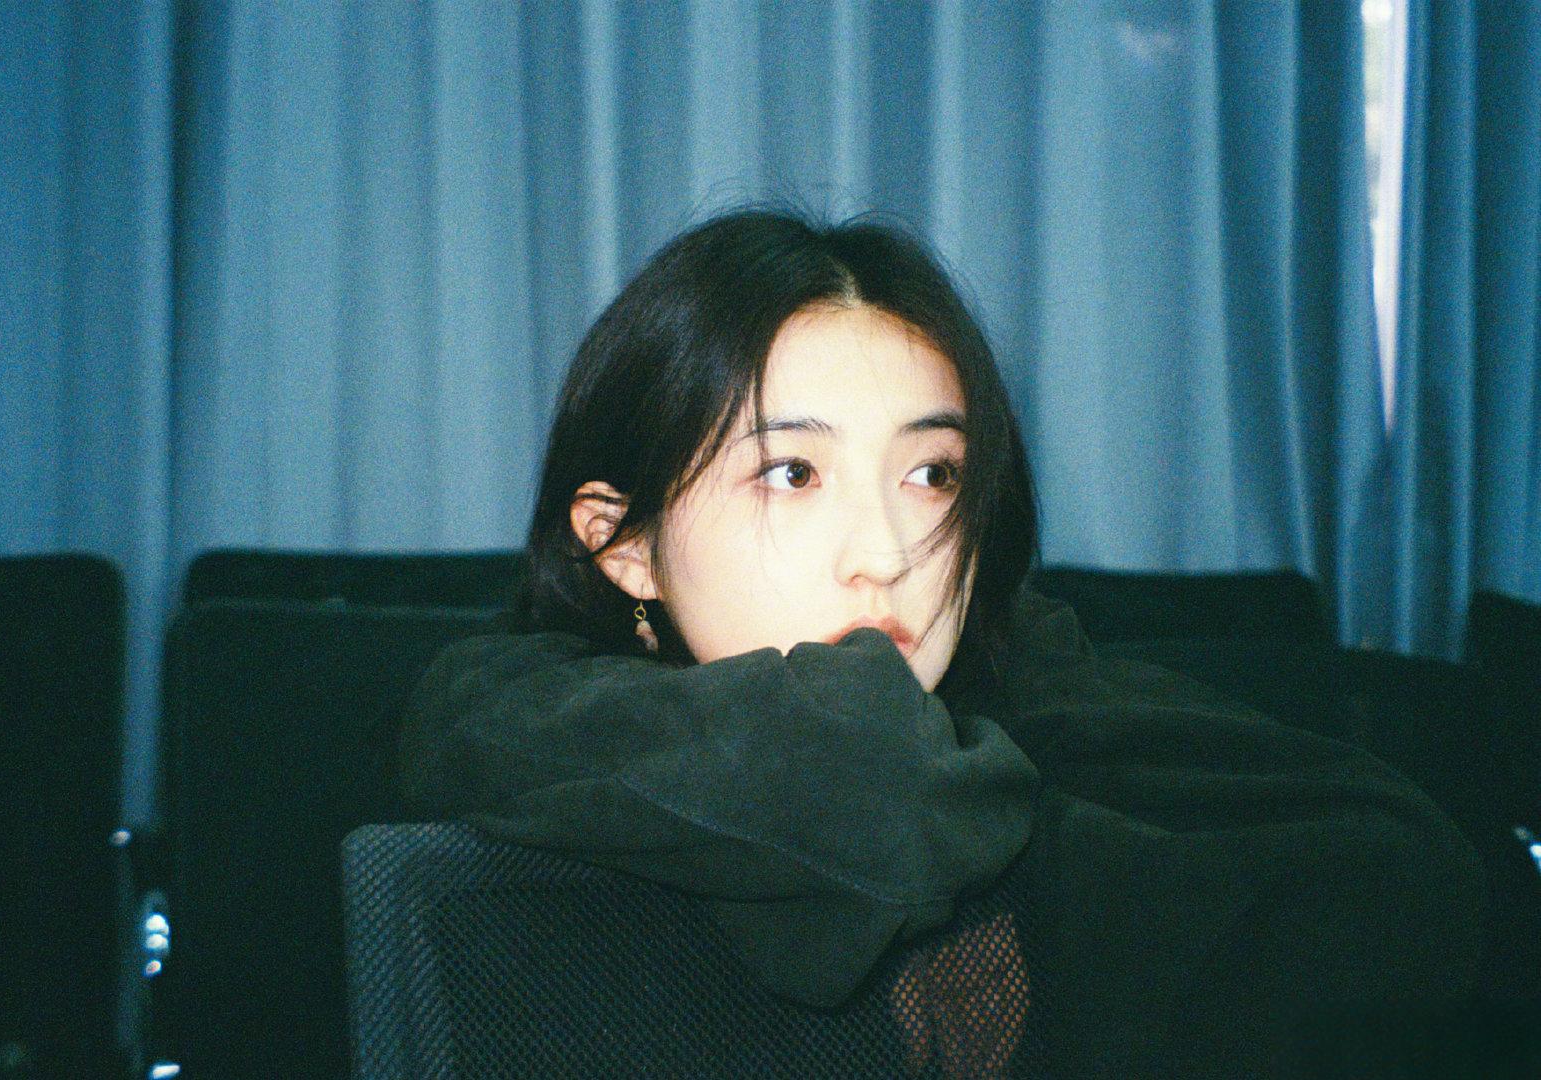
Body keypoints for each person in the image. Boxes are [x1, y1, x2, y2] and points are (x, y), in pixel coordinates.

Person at [397, 209, 1484, 1078]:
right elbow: (860, 782)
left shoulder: (1046, 687)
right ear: (623, 545)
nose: (888, 552)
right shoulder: (524, 721)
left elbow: (1398, 876)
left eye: (931, 475)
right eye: (792, 472)